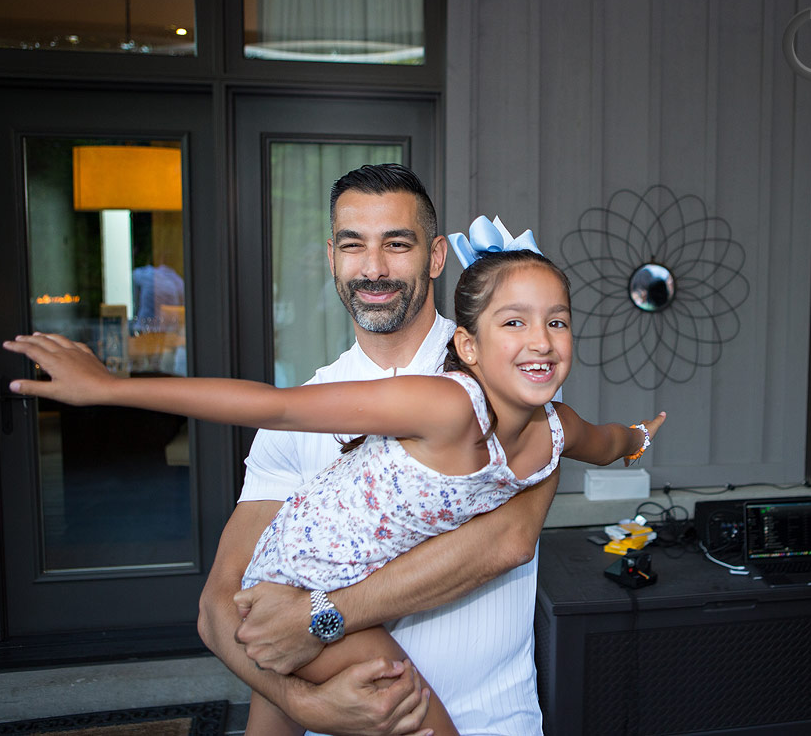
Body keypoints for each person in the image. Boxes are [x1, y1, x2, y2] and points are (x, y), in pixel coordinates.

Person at [4, 249, 666, 736]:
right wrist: (112, 388)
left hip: (348, 587)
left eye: (558, 322)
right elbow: (276, 405)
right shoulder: (444, 405)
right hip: (294, 579)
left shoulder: (554, 429)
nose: (541, 341)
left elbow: (605, 440)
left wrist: (638, 437)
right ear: (468, 344)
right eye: (514, 323)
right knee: (414, 713)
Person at [203, 165, 551, 736]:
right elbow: (219, 605)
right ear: (332, 258)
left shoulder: (503, 368)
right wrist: (304, 706)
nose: (373, 268)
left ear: (435, 257)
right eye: (352, 245)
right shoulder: (300, 414)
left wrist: (322, 616)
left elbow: (506, 542)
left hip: (491, 720)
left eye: (396, 244)